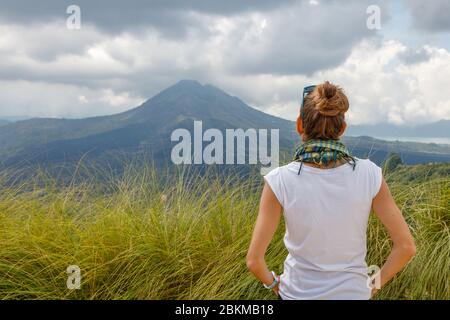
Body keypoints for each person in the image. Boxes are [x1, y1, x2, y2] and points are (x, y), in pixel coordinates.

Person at [246, 81, 416, 300]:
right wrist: (372, 286)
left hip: (296, 295)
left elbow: (254, 261)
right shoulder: (369, 174)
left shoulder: (280, 180)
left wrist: (275, 285)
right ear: (342, 128)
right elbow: (406, 247)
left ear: (300, 125)